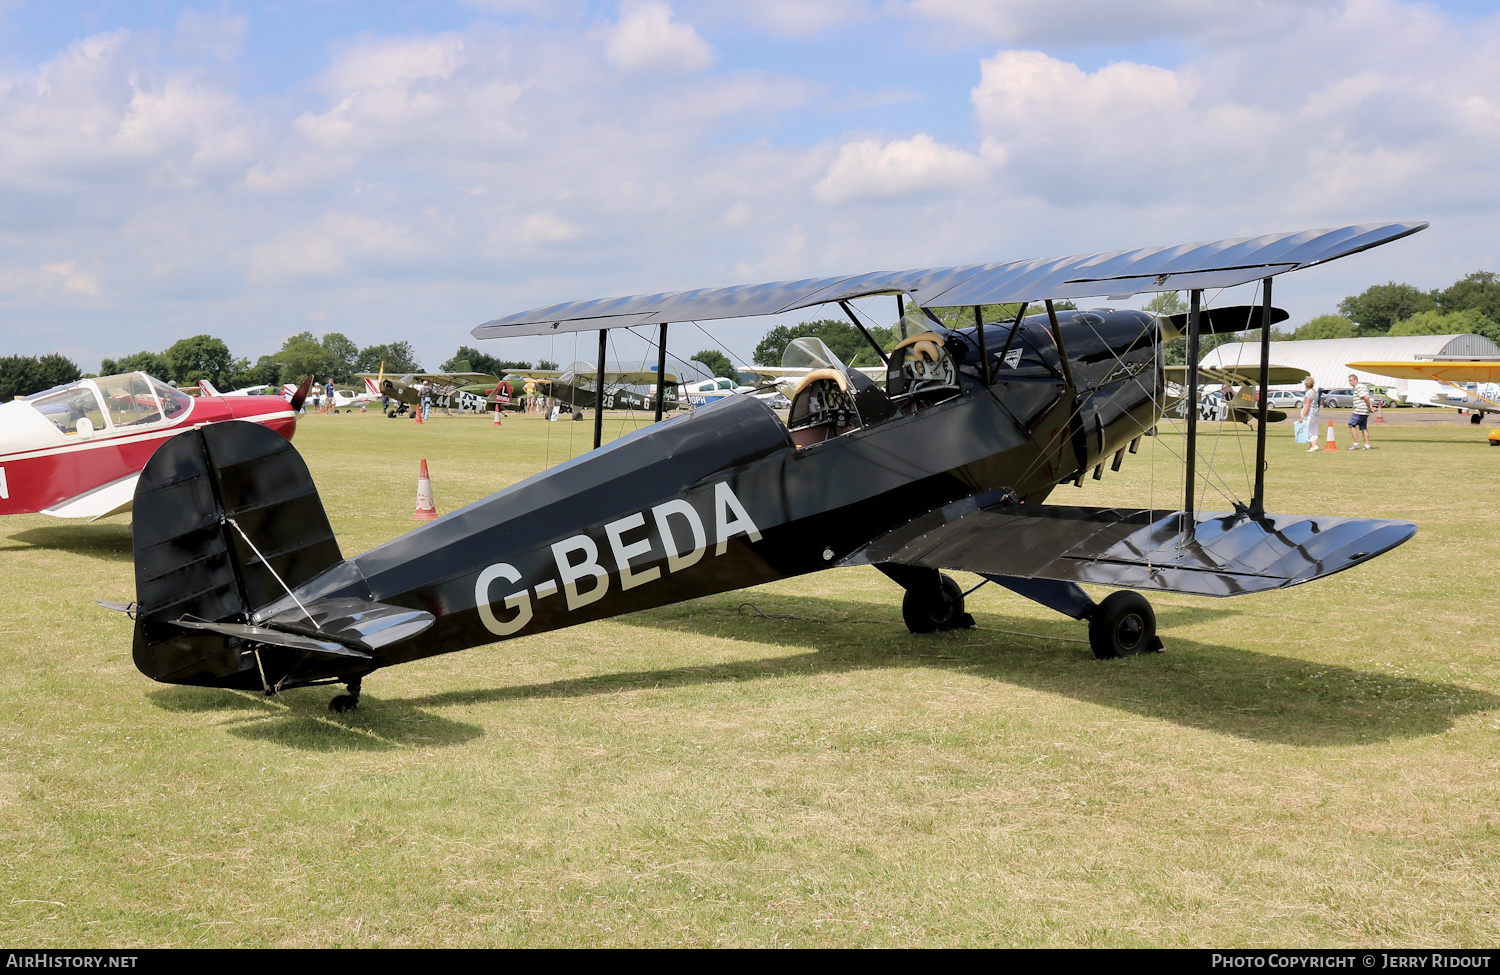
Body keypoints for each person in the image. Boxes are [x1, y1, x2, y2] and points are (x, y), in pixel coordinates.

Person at [1347, 373, 1377, 449]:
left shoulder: (1358, 387)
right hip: (1365, 410)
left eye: (1350, 380)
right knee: (1363, 427)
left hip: (1360, 410)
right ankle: (1367, 445)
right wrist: (1370, 408)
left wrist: (1370, 408)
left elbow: (1366, 397)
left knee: (1351, 424)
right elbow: (1368, 398)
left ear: (1355, 380)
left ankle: (1356, 444)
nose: (1349, 382)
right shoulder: (1363, 386)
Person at [1300, 376, 1321, 451]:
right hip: (1316, 413)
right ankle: (1312, 446)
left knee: (1307, 430)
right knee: (1314, 430)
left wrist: (1302, 416)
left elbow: (1307, 405)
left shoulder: (1308, 393)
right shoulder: (1315, 392)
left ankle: (1314, 445)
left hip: (1310, 414)